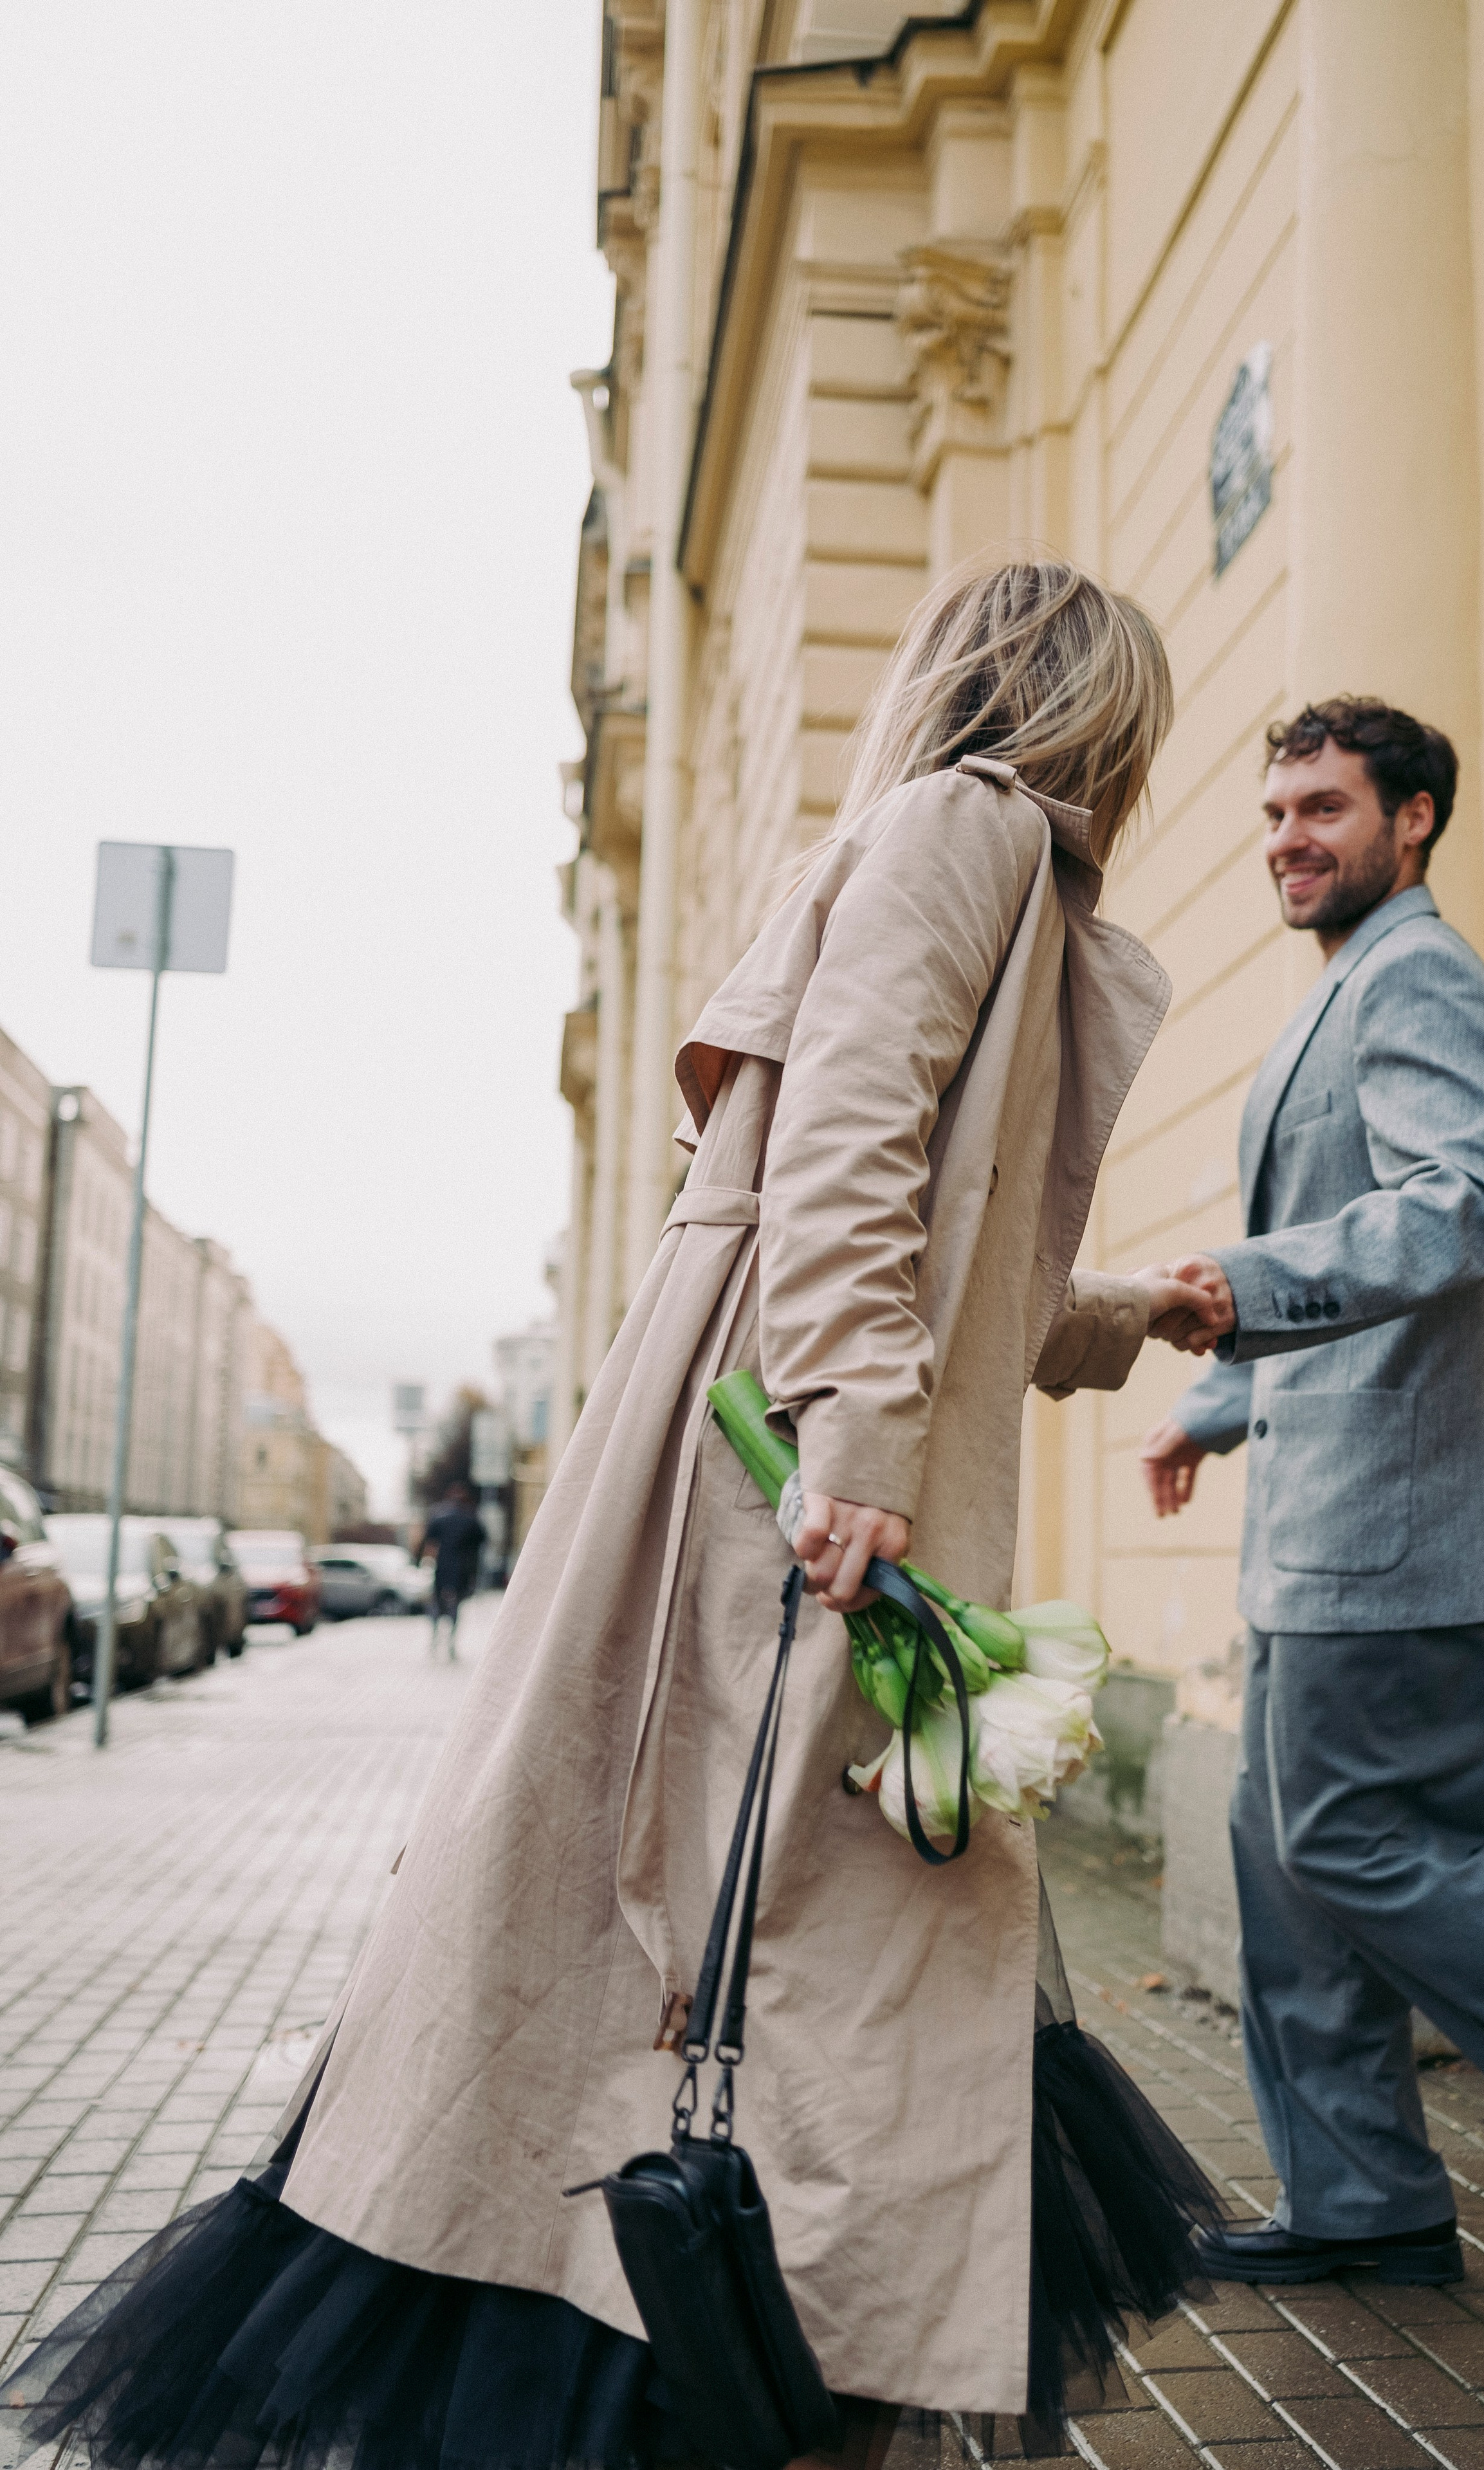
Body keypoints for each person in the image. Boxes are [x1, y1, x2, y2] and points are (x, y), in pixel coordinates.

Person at [4, 558, 1231, 2470]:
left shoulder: (950, 848)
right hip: (777, 1485)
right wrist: (854, 1449)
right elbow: (845, 1144)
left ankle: (702, 2325)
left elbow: (953, 1251)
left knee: (740, 1928)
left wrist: (1133, 1311)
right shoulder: (969, 824)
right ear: (1084, 706)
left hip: (763, 1449)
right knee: (765, 1923)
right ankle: (723, 2333)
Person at [1138, 697, 1484, 2336]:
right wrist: (1219, 1404)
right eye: (1272, 812)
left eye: (1322, 808)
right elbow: (1364, 1258)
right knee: (1282, 1858)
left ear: (1410, 817)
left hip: (1400, 1531)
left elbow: (1458, 1206)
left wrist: (1245, 1287)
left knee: (1370, 1853)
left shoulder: (1417, 976)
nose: (1285, 839)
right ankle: (1358, 2196)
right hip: (1324, 1519)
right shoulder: (1344, 983)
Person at [418, 1477, 486, 1659]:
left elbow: (430, 1545)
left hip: (441, 1568)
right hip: (462, 1569)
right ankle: (451, 1644)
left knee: (437, 1605)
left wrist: (426, 1565)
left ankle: (434, 1640)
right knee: (456, 1606)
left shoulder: (439, 1516)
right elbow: (482, 1543)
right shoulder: (471, 1518)